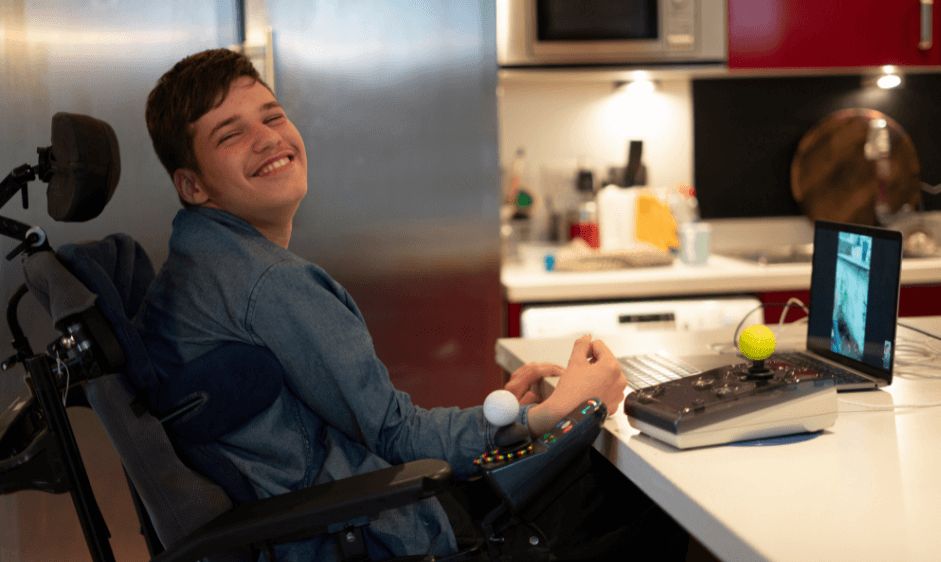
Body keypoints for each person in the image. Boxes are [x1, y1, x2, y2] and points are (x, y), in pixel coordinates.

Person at [138, 48, 678, 560]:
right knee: (650, 508)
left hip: (325, 518)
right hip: (369, 538)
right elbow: (398, 436)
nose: (266, 139)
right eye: (230, 134)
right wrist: (554, 412)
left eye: (272, 117)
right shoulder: (272, 285)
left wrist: (511, 418)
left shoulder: (200, 264)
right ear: (193, 185)